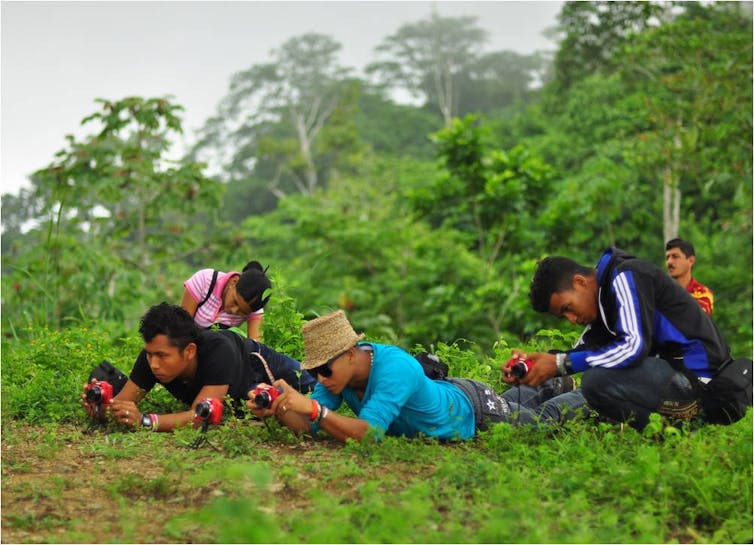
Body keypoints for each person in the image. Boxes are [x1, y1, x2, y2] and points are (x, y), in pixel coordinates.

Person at [247, 310, 586, 443]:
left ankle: (593, 389)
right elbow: (310, 426)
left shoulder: (393, 368)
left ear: (351, 353)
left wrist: (313, 409)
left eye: (325, 369)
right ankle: (552, 384)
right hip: (454, 392)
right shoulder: (339, 377)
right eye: (314, 372)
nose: (320, 379)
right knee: (516, 404)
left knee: (543, 423)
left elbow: (368, 434)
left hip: (474, 411)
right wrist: (280, 407)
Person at [516, 247, 733, 430]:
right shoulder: (604, 304)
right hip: (675, 376)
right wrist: (537, 365)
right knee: (596, 374)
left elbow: (633, 348)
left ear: (580, 282)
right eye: (563, 316)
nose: (571, 319)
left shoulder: (624, 276)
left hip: (703, 382)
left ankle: (677, 431)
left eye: (567, 308)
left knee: (596, 381)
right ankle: (670, 431)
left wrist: (560, 364)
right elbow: (585, 349)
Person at [81, 302, 315, 431]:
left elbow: (199, 417)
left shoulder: (218, 351)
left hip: (259, 365)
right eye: (150, 354)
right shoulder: (152, 357)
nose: (154, 364)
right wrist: (102, 409)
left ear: (189, 351)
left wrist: (144, 420)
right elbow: (123, 403)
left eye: (162, 356)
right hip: (240, 390)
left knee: (317, 383)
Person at [181, 260, 271, 341]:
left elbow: (256, 347)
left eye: (242, 312)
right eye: (235, 302)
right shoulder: (204, 280)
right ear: (234, 282)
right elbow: (182, 326)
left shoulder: (254, 308)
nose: (234, 310)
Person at [664, 238, 714, 316]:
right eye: (667, 258)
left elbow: (696, 321)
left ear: (691, 261)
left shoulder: (703, 293)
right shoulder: (661, 292)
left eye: (675, 257)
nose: (669, 262)